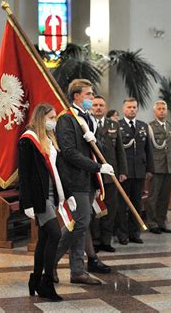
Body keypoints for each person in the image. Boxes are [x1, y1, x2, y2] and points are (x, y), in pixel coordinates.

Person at [54, 79, 115, 285]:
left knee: (83, 223)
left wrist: (95, 139)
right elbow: (69, 152)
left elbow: (97, 148)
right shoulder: (66, 119)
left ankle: (77, 270)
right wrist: (97, 167)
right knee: (79, 223)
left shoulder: (87, 118)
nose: (92, 98)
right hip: (74, 179)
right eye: (88, 94)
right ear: (76, 96)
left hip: (88, 179)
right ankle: (49, 261)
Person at [19, 103, 64, 302]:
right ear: (41, 118)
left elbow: (57, 169)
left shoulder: (50, 138)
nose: (53, 121)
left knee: (45, 238)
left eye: (54, 117)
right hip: (39, 196)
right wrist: (27, 203)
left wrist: (66, 194)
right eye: (51, 117)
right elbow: (24, 174)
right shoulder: (28, 140)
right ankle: (46, 281)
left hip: (53, 193)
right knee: (55, 234)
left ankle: (35, 279)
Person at [90, 95, 128, 252]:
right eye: (95, 105)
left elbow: (120, 150)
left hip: (111, 175)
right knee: (95, 209)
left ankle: (106, 240)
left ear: (105, 108)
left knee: (110, 209)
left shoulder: (113, 124)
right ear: (91, 108)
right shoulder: (86, 124)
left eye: (101, 105)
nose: (98, 108)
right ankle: (95, 241)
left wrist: (123, 171)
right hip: (94, 175)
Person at [116, 98, 154, 245]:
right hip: (124, 173)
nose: (132, 109)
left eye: (134, 107)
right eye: (129, 107)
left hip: (139, 171)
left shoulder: (143, 126)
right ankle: (122, 234)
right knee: (122, 205)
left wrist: (150, 169)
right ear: (123, 109)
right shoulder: (117, 126)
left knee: (137, 204)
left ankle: (135, 233)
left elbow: (148, 150)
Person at [145, 100, 171, 234]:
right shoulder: (150, 127)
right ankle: (152, 223)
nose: (162, 111)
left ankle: (161, 221)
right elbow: (147, 149)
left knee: (165, 197)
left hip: (168, 167)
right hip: (156, 167)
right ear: (155, 111)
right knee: (153, 197)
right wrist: (148, 168)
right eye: (159, 109)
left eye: (164, 108)